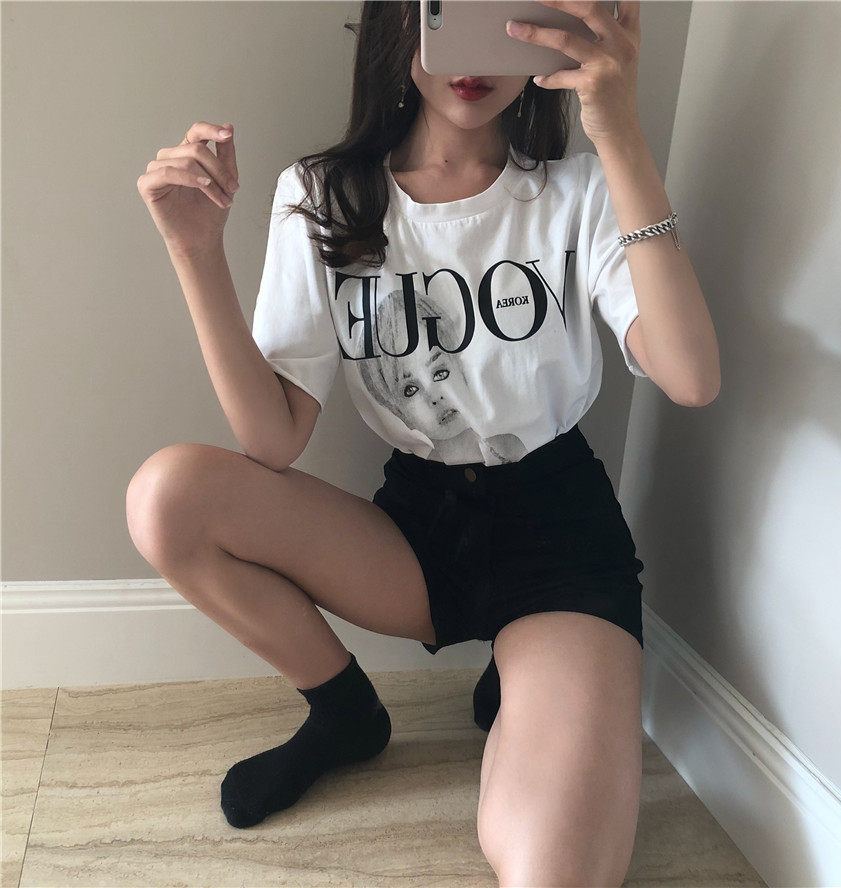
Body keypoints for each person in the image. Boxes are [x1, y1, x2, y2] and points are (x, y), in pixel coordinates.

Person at [131, 1, 720, 884]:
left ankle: (526, 679)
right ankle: (344, 713)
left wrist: (620, 129)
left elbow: (691, 376)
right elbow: (274, 438)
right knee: (166, 498)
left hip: (560, 540)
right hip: (416, 531)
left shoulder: (580, 191)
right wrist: (196, 252)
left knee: (555, 872)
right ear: (398, 22)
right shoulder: (324, 195)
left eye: (504, 10)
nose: (474, 53)